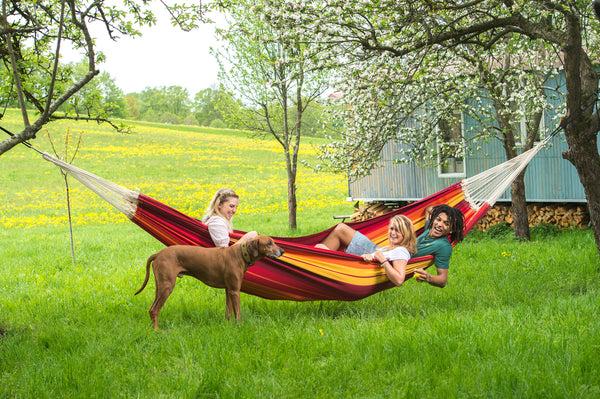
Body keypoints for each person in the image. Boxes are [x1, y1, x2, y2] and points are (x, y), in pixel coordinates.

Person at [315, 215, 417, 287]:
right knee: (339, 230)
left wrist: (383, 261)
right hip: (369, 253)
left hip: (362, 263)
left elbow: (399, 280)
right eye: (391, 229)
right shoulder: (395, 247)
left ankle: (316, 270)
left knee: (320, 248)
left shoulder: (402, 251)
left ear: (406, 234)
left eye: (398, 230)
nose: (393, 233)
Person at [412, 204, 465, 288]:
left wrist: (427, 277)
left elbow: (443, 280)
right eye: (438, 219)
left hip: (396, 261)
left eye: (446, 223)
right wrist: (443, 210)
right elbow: (429, 209)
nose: (440, 224)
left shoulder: (443, 246)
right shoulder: (429, 229)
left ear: (451, 230)